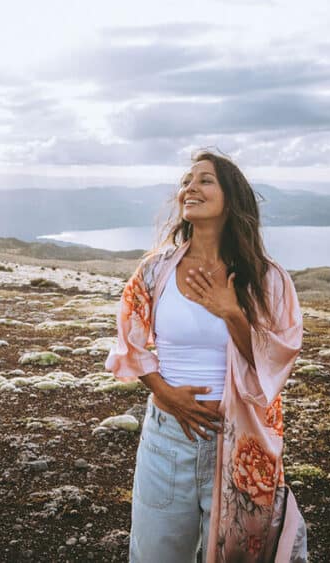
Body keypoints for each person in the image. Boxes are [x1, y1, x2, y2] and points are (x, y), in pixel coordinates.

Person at [105, 148, 309, 563]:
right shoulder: (154, 271)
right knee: (155, 555)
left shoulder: (267, 279)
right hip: (168, 438)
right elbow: (130, 342)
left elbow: (280, 355)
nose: (190, 188)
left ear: (231, 198)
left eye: (205, 180)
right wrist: (164, 393)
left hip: (241, 441)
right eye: (186, 181)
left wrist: (231, 312)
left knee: (240, 555)